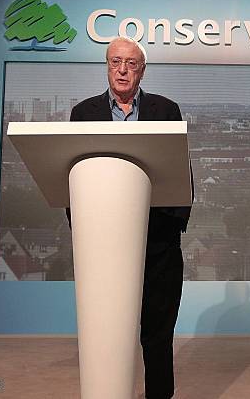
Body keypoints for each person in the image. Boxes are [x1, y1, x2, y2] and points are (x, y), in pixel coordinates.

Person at [69, 36, 191, 399]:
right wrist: (84, 231)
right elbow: (72, 174)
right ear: (107, 66)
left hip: (158, 242)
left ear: (142, 69)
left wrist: (174, 227)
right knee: (107, 330)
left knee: (157, 331)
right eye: (116, 62)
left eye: (131, 63)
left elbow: (180, 171)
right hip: (102, 244)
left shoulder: (166, 109)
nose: (123, 70)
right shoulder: (82, 113)